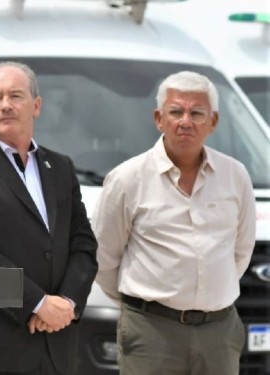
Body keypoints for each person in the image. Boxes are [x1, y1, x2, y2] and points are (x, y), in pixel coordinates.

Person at [93, 71, 254, 375]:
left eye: (196, 113)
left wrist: (206, 296)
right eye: (176, 111)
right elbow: (103, 258)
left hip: (218, 332)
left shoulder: (236, 176)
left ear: (213, 122)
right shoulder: (128, 178)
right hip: (151, 333)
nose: (186, 121)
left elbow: (241, 251)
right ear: (159, 118)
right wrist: (145, 307)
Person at [0, 61, 98, 375]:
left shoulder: (61, 167)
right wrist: (39, 303)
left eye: (16, 95)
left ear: (36, 106)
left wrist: (67, 302)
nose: (6, 105)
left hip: (58, 345)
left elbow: (83, 244)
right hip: (1, 345)